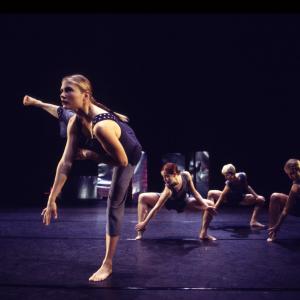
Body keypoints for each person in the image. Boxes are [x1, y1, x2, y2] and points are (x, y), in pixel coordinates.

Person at [25, 74, 142, 281]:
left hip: (128, 152)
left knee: (114, 204)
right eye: (61, 90)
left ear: (85, 95)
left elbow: (121, 162)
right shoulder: (75, 122)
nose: (62, 94)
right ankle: (37, 103)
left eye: (68, 90)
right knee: (64, 115)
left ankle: (108, 264)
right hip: (98, 130)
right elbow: (65, 163)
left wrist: (90, 155)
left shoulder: (101, 127)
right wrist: (52, 198)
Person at [135, 162, 217, 241]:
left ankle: (203, 233)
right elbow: (156, 207)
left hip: (183, 202)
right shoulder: (168, 189)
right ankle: (140, 232)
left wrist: (206, 206)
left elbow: (195, 193)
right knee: (142, 197)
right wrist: (144, 223)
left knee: (210, 204)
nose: (165, 180)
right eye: (163, 177)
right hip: (168, 203)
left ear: (174, 174)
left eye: (167, 176)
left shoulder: (186, 175)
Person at [23, 95, 100, 161]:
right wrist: (38, 103)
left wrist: (90, 154)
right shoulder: (72, 118)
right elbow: (61, 111)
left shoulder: (103, 126)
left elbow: (110, 158)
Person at [207, 163, 265, 228]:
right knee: (211, 193)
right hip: (228, 199)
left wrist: (256, 196)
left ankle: (253, 221)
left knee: (261, 199)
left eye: (226, 175)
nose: (225, 177)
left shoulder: (243, 176)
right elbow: (222, 195)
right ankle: (208, 219)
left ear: (232, 173)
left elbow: (247, 187)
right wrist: (215, 207)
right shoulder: (229, 183)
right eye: (225, 176)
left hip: (240, 199)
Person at [268, 159, 300, 242]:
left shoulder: (296, 186)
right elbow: (287, 208)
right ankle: (272, 232)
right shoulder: (296, 183)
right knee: (275, 197)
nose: (290, 177)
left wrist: (277, 226)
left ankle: (273, 230)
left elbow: (286, 210)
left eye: (292, 173)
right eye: (288, 174)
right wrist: (276, 227)